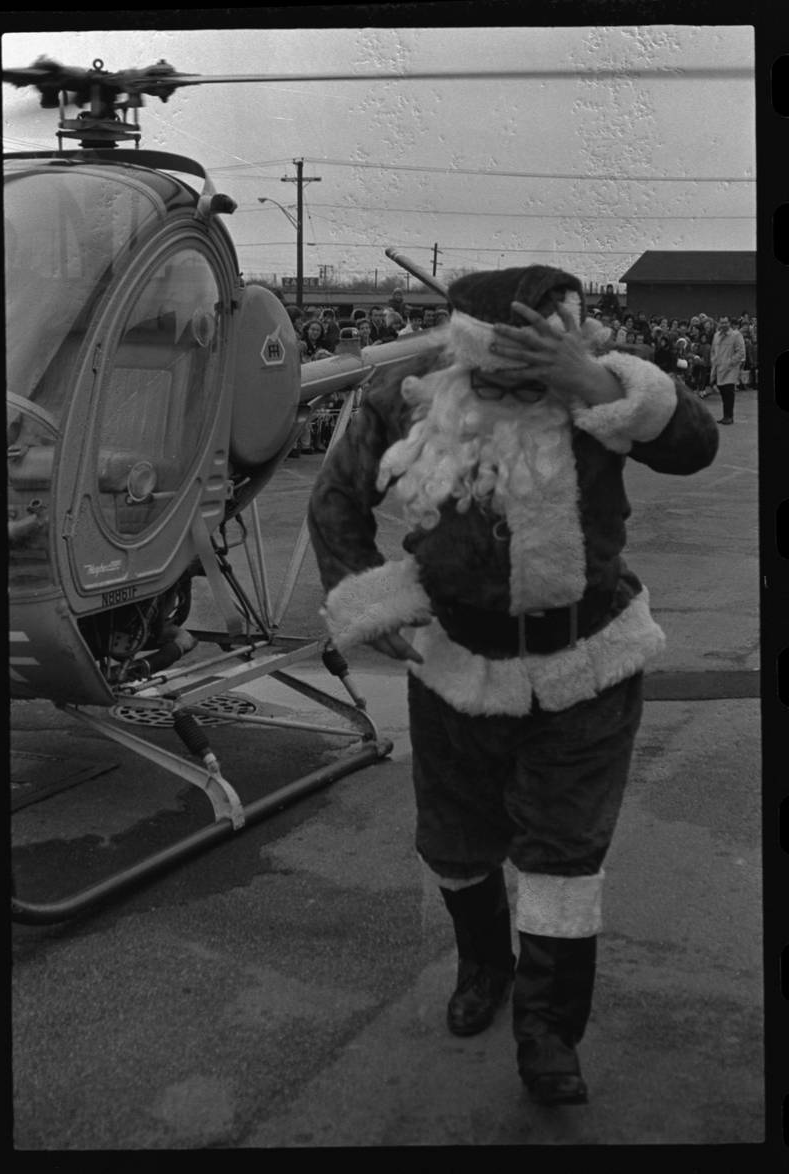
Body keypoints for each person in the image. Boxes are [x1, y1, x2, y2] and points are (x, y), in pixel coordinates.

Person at [307, 264, 718, 1108]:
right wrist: (360, 599)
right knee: (456, 847)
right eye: (500, 358)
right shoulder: (410, 395)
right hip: (457, 666)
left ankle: (549, 1031)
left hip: (588, 664)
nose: (514, 377)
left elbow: (696, 447)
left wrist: (596, 381)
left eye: (539, 356)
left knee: (564, 858)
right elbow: (336, 499)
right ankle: (483, 966)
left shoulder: (600, 396)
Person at [709, 314, 746, 425]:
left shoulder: (736, 335)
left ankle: (729, 417)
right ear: (719, 323)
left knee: (728, 393)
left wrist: (730, 362)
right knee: (723, 392)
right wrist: (713, 362)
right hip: (718, 369)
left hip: (730, 369)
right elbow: (713, 351)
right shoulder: (716, 335)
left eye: (725, 322)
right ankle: (726, 416)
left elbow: (741, 352)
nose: (723, 324)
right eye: (722, 322)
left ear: (729, 323)